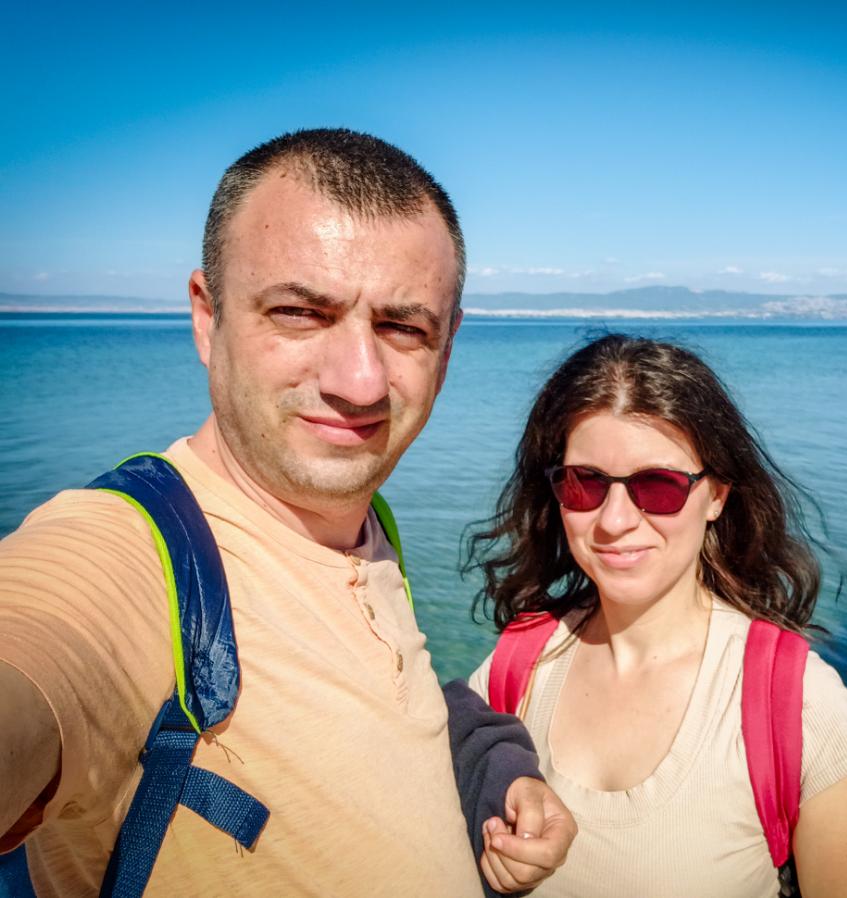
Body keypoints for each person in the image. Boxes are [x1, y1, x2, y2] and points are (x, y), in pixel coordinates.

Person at [0, 129, 574, 897]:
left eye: (404, 328)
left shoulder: (368, 531)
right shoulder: (127, 555)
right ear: (207, 317)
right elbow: (38, 657)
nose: (360, 383)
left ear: (448, 349)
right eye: (301, 312)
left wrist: (496, 767)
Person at [467, 334, 847, 897]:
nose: (614, 521)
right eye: (584, 483)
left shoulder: (800, 705)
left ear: (717, 495)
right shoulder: (516, 665)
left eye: (658, 486)